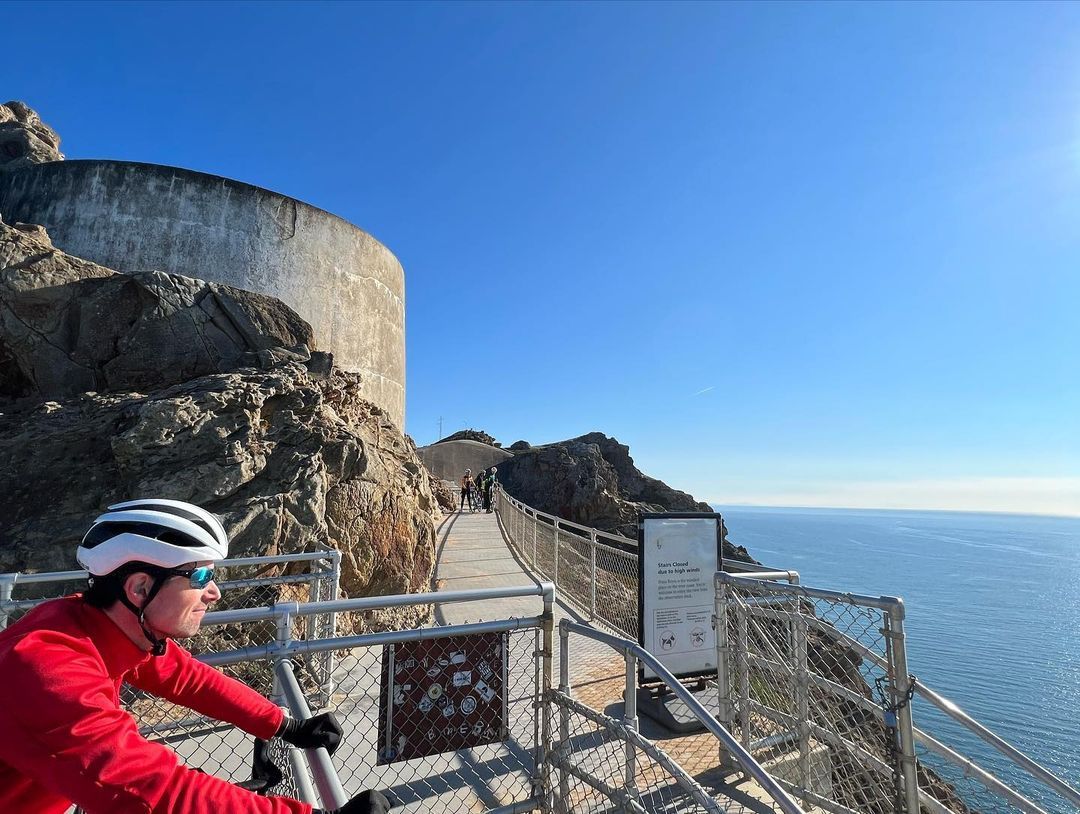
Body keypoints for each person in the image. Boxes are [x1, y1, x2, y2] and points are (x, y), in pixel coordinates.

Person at [0, 498, 391, 814]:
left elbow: (191, 679)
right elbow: (154, 792)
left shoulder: (99, 626)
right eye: (201, 576)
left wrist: (286, 727)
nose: (214, 592)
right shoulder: (44, 667)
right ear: (140, 588)